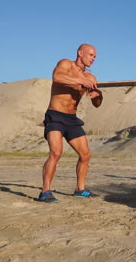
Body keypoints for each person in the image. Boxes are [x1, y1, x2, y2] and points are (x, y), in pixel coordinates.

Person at [38, 44, 103, 203]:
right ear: (80, 53)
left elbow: (97, 103)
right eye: (91, 55)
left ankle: (80, 189)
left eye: (95, 56)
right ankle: (45, 191)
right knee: (56, 153)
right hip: (55, 116)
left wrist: (97, 95)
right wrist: (80, 80)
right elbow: (57, 77)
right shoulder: (66, 64)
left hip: (72, 119)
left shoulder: (91, 78)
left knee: (85, 154)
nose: (93, 59)